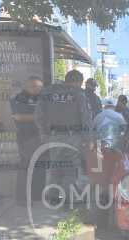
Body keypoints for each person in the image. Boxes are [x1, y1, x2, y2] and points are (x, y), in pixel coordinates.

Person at [35, 70, 92, 204]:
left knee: (54, 166)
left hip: (53, 136)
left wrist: (44, 133)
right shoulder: (79, 94)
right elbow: (85, 117)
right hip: (73, 137)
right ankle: (68, 200)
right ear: (78, 82)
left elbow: (38, 115)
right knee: (71, 169)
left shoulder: (47, 92)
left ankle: (53, 198)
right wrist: (88, 139)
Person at [10, 76, 45, 204]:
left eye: (40, 87)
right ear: (26, 86)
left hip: (41, 137)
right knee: (26, 166)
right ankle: (22, 199)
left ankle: (37, 196)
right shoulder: (18, 99)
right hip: (26, 137)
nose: (37, 89)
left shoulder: (43, 98)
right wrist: (40, 118)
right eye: (34, 86)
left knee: (40, 167)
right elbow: (19, 117)